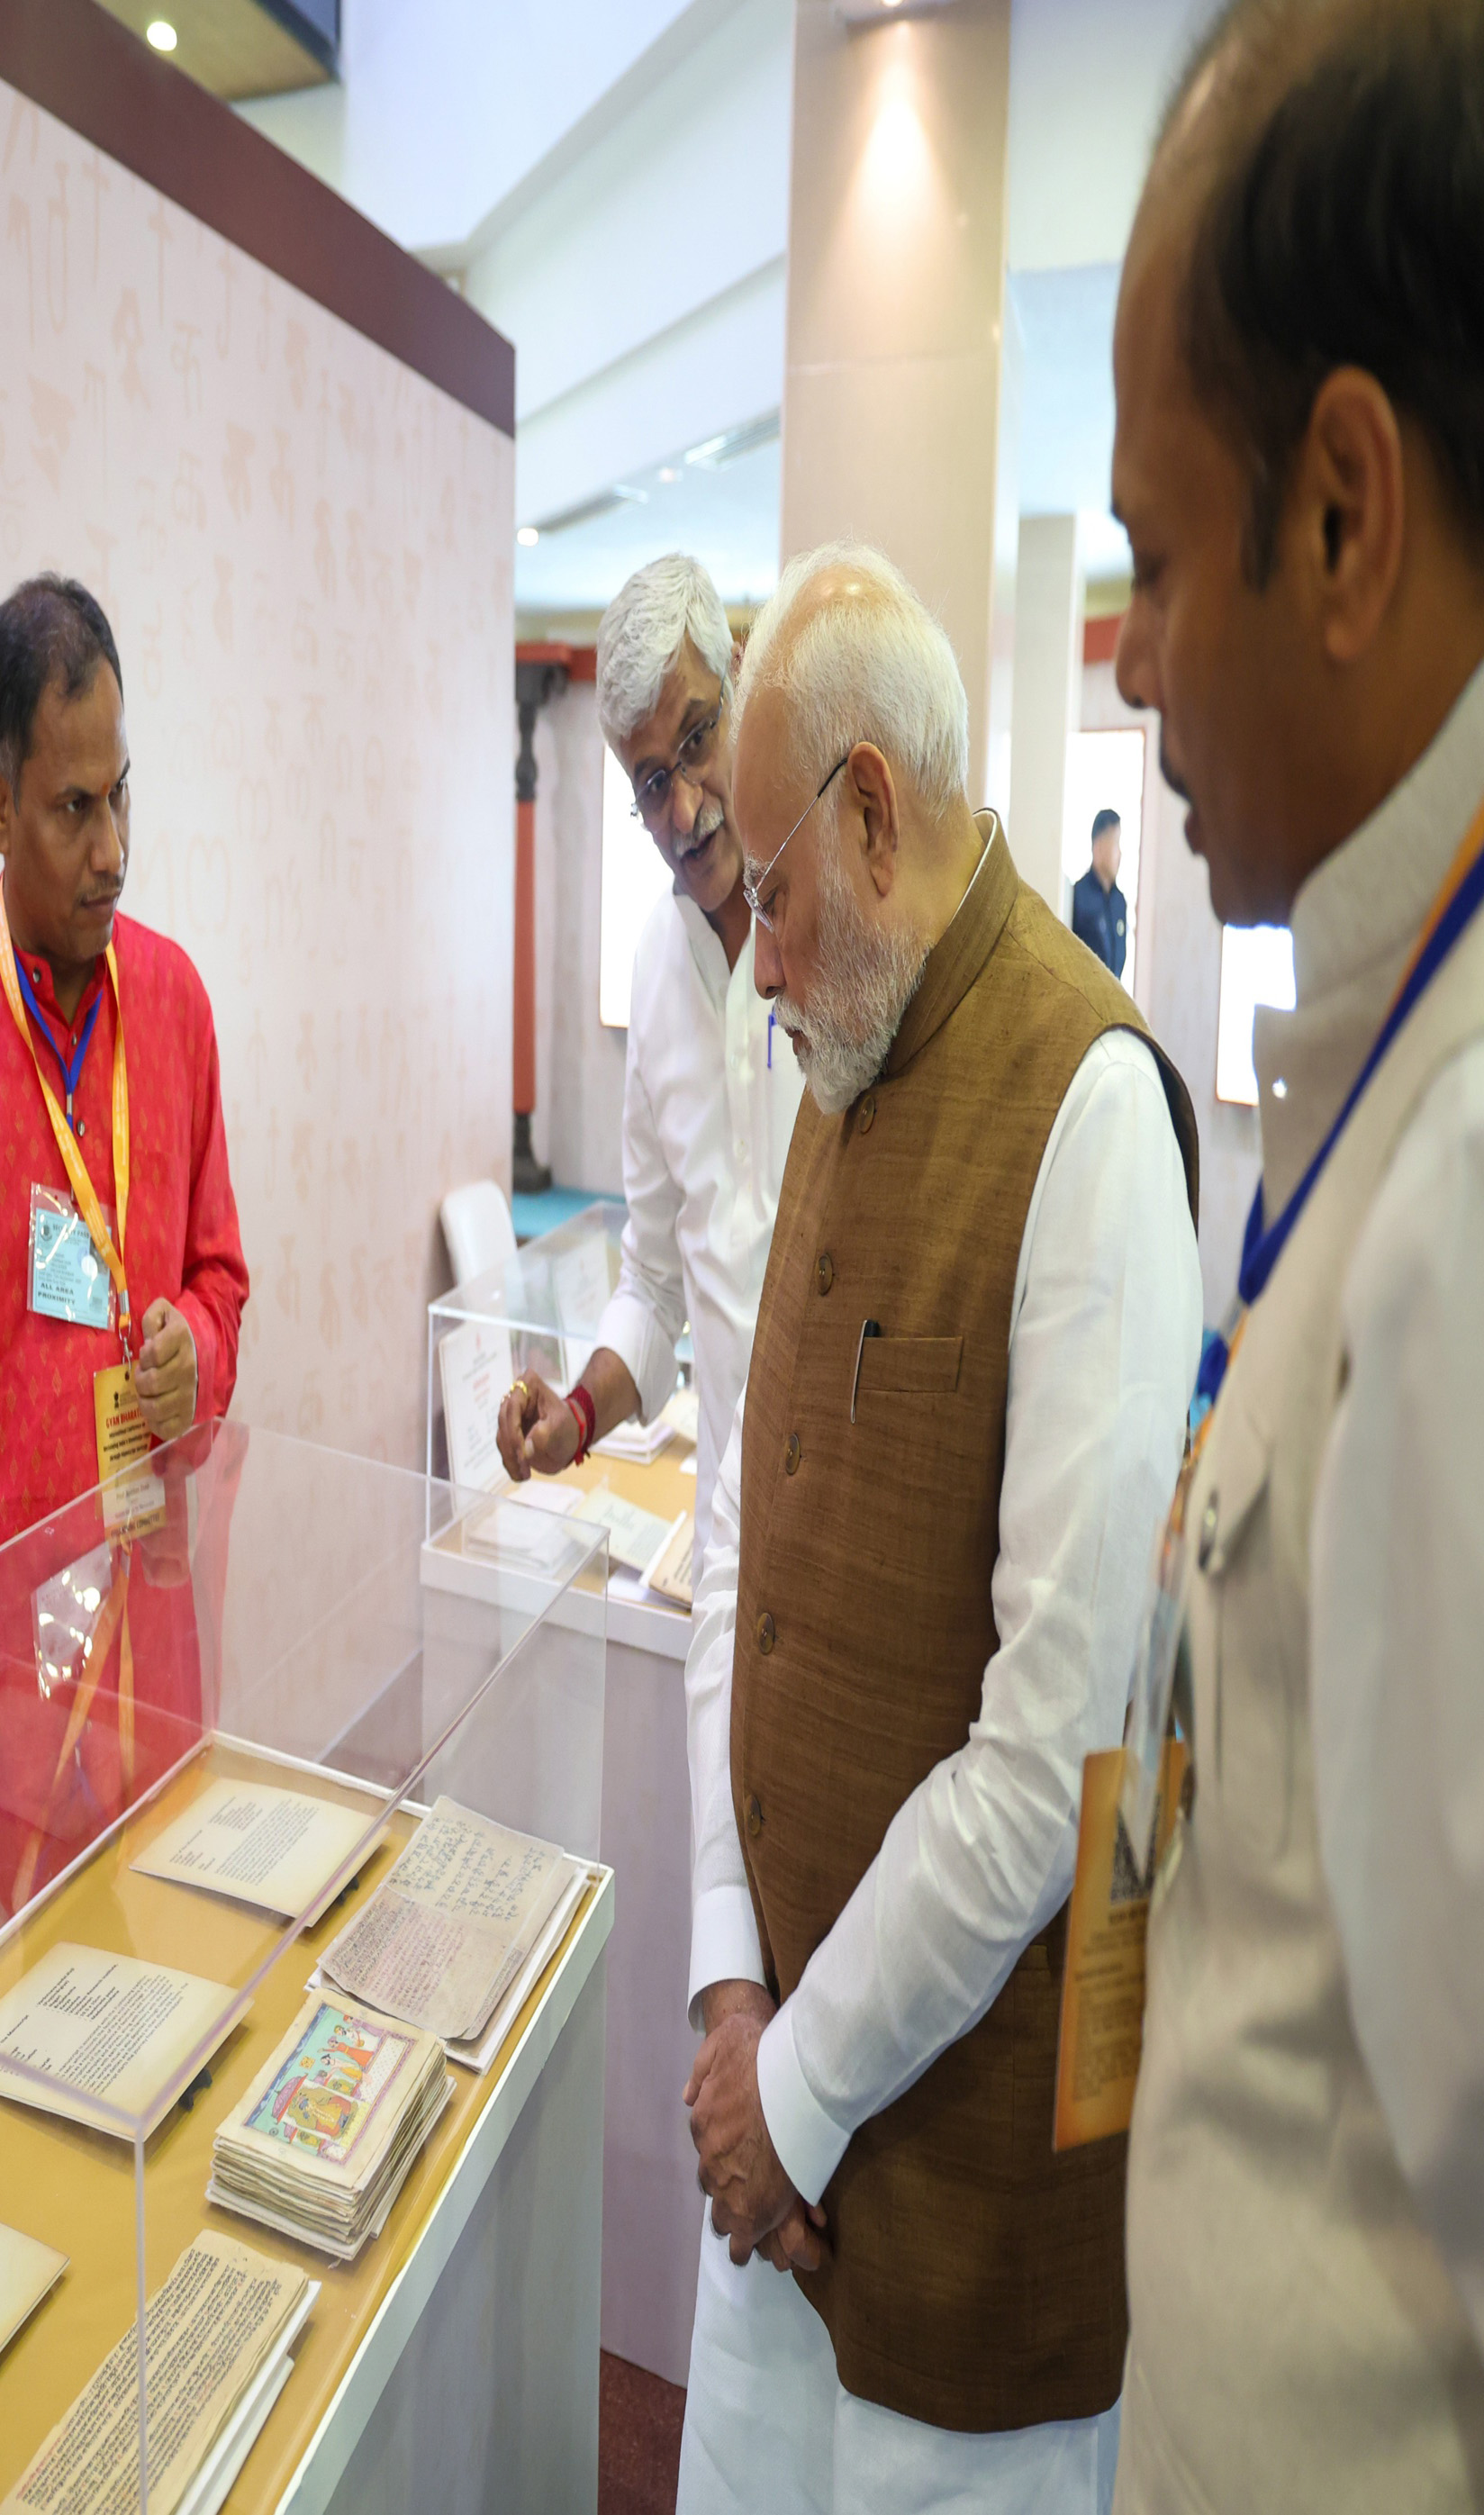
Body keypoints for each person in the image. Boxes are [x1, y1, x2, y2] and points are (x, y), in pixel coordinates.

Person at [674, 543, 1202, 2513]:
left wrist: (791, 2090)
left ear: (869, 811)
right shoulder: (837, 1043)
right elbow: (748, 1543)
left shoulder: (1087, 1110)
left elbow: (1055, 1741)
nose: (757, 954)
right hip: (777, 2150)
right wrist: (731, 1980)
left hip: (961, 2221)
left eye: (770, 893)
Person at [1107, 2, 1484, 2504]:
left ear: (1341, 516)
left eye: (1153, 558)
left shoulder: (1465, 1176)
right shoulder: (1365, 1039)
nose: (1128, 667)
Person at [0, 574, 249, 1977]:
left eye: (124, 796)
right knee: (31, 2088)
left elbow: (220, 1273)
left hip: (157, 1640)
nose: (114, 847)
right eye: (74, 809)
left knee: (180, 2016)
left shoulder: (180, 1008)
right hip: (3, 1708)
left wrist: (197, 1344)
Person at [495, 554, 802, 1567]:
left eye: (698, 741)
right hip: (728, 1534)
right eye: (650, 782)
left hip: (858, 1530)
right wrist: (578, 1411)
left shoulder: (841, 936)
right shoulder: (655, 969)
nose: (684, 810)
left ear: (743, 686)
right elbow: (657, 1279)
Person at [1071, 807, 1130, 975]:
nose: (1120, 854)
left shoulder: (1119, 901)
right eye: (1116, 843)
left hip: (1112, 998)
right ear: (1098, 847)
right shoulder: (1078, 897)